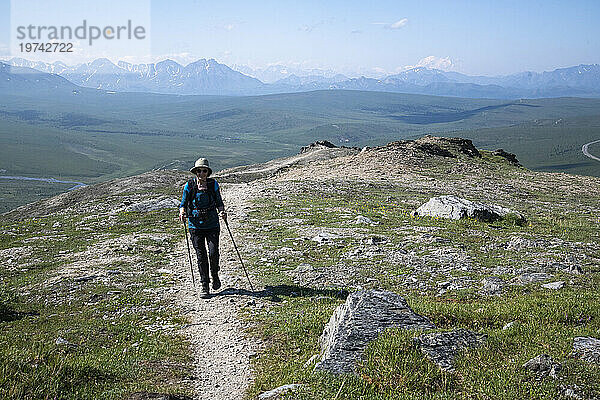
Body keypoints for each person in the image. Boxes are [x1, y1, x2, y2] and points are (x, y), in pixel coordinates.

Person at [179, 158, 227, 297]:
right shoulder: (190, 185)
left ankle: (215, 275)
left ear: (208, 172)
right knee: (201, 256)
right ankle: (204, 285)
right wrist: (182, 212)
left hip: (212, 224)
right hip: (195, 225)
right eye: (199, 171)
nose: (201, 173)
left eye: (204, 170)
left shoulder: (213, 184)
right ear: (195, 172)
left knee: (213, 253)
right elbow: (183, 203)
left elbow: (219, 201)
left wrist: (222, 211)